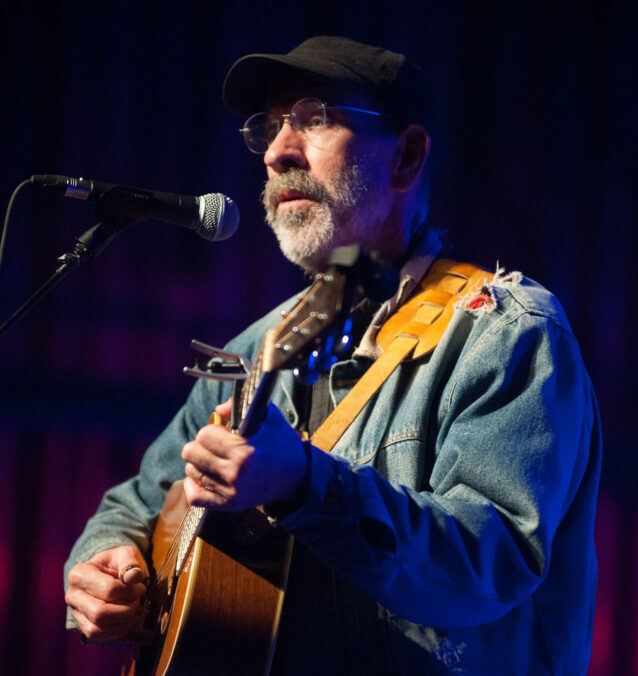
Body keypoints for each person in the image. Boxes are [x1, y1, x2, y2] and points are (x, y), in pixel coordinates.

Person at [64, 36, 602, 675]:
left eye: (315, 118)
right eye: (268, 126)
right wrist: (104, 567)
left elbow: (489, 561)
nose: (276, 151)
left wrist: (303, 484)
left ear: (405, 157)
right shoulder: (251, 352)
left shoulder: (506, 334)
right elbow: (135, 505)